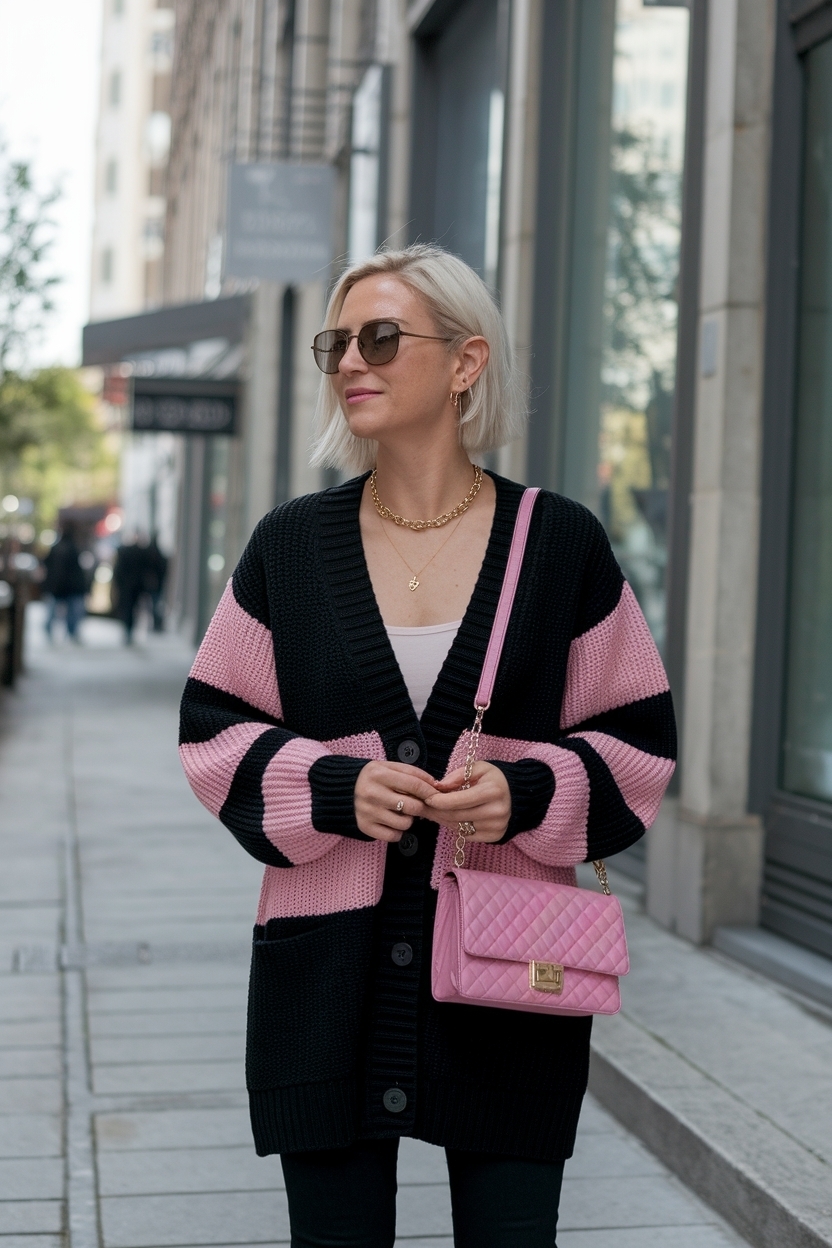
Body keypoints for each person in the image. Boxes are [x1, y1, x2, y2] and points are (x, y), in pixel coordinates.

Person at [179, 245, 676, 1247]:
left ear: (464, 361)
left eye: (381, 337)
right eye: (337, 342)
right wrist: (331, 789)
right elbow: (211, 727)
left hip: (510, 979)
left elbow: (638, 738)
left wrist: (523, 796)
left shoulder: (557, 543)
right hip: (323, 978)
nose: (350, 361)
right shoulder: (290, 544)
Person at [42, 526, 87, 642]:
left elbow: (47, 563)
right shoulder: (74, 548)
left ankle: (50, 629)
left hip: (56, 585)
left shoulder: (56, 548)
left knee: (52, 610)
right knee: (71, 612)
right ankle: (71, 632)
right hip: (69, 586)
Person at [113, 536, 149, 644]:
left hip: (126, 586)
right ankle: (129, 630)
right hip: (135, 586)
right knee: (133, 608)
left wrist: (117, 584)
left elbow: (118, 570)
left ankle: (127, 629)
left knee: (126, 608)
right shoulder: (140, 553)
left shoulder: (123, 552)